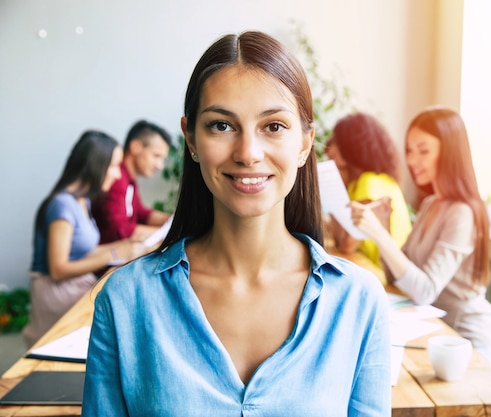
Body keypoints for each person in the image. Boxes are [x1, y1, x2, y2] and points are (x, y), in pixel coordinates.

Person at [83, 31, 391, 416]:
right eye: (221, 126)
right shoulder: (125, 299)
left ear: (305, 143)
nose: (248, 153)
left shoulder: (358, 301)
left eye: (274, 126)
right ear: (191, 139)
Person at [349, 107, 491, 370]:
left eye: (423, 151)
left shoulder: (463, 212)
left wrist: (376, 233)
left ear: (450, 153)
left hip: (468, 346)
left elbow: (425, 290)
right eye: (409, 150)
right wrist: (384, 228)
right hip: (436, 336)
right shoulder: (432, 203)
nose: (412, 160)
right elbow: (398, 275)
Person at [22, 131, 146, 347]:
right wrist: (114, 253)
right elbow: (58, 269)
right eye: (114, 166)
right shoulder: (62, 205)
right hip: (56, 292)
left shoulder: (83, 201)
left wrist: (125, 247)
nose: (118, 175)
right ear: (96, 165)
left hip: (72, 285)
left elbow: (83, 251)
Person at [324, 112, 412, 269]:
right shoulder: (376, 180)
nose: (329, 150)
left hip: (385, 276)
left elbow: (347, 243)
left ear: (351, 146)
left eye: (336, 143)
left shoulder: (369, 182)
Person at [92, 120, 173, 244]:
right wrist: (170, 232)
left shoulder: (130, 179)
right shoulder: (116, 179)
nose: (160, 165)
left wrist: (174, 220)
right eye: (156, 156)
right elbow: (120, 231)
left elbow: (142, 214)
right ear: (135, 147)